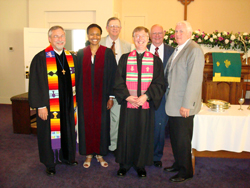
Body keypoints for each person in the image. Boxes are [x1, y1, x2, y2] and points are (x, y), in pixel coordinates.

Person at [114, 26, 165, 178]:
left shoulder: (155, 60)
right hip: (128, 105)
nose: (140, 39)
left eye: (143, 36)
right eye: (137, 36)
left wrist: (146, 96)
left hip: (145, 105)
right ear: (133, 39)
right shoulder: (125, 58)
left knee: (143, 134)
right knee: (126, 134)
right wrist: (127, 96)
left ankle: (140, 165)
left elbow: (159, 83)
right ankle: (124, 164)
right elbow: (118, 81)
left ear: (148, 39)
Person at [28, 25, 78, 176]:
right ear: (49, 39)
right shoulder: (41, 58)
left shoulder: (71, 57)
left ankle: (67, 157)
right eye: (56, 36)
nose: (60, 39)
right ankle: (50, 163)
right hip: (49, 106)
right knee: (48, 133)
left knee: (68, 129)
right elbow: (35, 83)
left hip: (68, 104)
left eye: (62, 36)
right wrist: (40, 106)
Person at [164, 21, 204, 182]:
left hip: (183, 105)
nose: (178, 34)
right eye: (176, 31)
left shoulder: (194, 50)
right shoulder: (180, 49)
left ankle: (186, 171)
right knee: (175, 138)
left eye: (181, 31)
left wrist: (187, 104)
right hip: (173, 103)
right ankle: (178, 163)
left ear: (189, 34)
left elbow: (194, 80)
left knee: (182, 140)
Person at [76, 24, 117, 168]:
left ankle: (99, 154)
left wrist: (111, 97)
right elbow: (77, 77)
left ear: (101, 35)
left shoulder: (107, 53)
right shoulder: (81, 53)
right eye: (92, 34)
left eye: (97, 34)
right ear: (88, 35)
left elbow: (113, 76)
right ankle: (88, 154)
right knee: (86, 123)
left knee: (102, 124)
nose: (95, 37)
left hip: (102, 97)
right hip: (85, 98)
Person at [100, 17, 132, 152]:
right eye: (112, 26)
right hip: (101, 87)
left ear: (120, 29)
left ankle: (113, 146)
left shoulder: (127, 45)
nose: (114, 28)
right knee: (100, 118)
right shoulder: (98, 42)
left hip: (118, 87)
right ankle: (100, 145)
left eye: (117, 26)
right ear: (107, 28)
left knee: (116, 118)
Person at [147, 24, 174, 168]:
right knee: (145, 125)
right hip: (145, 95)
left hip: (163, 96)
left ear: (164, 34)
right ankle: (144, 154)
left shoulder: (172, 51)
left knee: (159, 127)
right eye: (154, 33)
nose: (157, 36)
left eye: (159, 33)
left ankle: (156, 156)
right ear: (150, 35)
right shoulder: (143, 49)